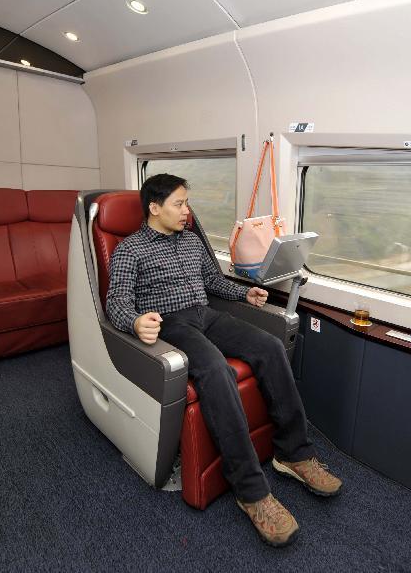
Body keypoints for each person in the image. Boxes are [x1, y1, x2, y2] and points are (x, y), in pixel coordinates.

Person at [106, 174, 342, 547]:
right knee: (216, 370)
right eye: (179, 204)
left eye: (187, 203)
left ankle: (293, 453)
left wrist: (243, 292)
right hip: (173, 324)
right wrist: (135, 321)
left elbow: (213, 283)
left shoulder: (191, 242)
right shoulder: (130, 250)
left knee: (269, 346)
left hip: (206, 315)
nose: (187, 211)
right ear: (154, 208)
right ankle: (251, 492)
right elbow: (115, 302)